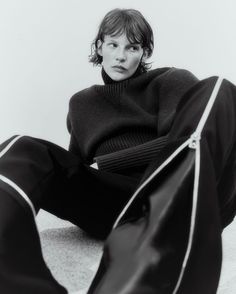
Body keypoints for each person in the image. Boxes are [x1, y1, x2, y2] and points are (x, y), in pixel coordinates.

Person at [0, 7, 235, 294]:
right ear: (100, 47)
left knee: (220, 90)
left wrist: (109, 162)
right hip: (113, 203)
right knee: (21, 148)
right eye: (113, 44)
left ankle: (151, 258)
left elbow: (181, 142)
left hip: (171, 192)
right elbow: (74, 170)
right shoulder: (80, 104)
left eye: (132, 47)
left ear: (144, 52)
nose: (121, 56)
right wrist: (93, 171)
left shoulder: (170, 81)